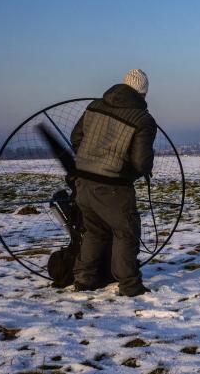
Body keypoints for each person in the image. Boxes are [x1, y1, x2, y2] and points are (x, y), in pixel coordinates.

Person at [70, 69, 157, 297]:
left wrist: (91, 160)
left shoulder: (95, 106)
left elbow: (76, 138)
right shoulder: (143, 120)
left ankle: (84, 279)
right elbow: (141, 162)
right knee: (125, 232)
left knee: (94, 232)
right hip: (113, 187)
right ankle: (129, 285)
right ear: (143, 93)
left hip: (83, 182)